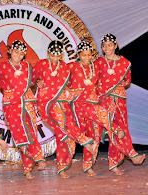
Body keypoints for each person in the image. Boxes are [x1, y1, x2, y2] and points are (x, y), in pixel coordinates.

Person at [32, 40, 97, 178]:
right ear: (48, 53)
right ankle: (86, 142)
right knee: (65, 125)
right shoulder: (41, 64)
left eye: (58, 56)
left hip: (63, 103)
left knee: (63, 134)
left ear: (61, 55)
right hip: (47, 104)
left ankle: (62, 167)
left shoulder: (66, 67)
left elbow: (73, 82)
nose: (55, 58)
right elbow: (31, 80)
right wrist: (38, 82)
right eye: (53, 55)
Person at [66, 41, 130, 176]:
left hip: (93, 103)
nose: (86, 58)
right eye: (83, 55)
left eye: (89, 55)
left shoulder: (95, 67)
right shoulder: (71, 66)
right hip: (77, 104)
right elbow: (60, 77)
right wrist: (39, 82)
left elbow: (111, 80)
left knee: (94, 134)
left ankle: (89, 166)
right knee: (74, 134)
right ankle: (67, 165)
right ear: (78, 54)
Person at [0, 40, 46, 179]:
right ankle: (37, 157)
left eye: (22, 53)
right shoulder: (1, 67)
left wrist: (39, 82)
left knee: (31, 132)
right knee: (20, 133)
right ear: (10, 51)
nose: (19, 55)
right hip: (11, 103)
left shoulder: (27, 66)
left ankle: (29, 167)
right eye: (16, 51)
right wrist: (6, 87)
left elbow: (34, 79)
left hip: (28, 102)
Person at [95, 33, 145, 175]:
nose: (107, 48)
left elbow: (126, 81)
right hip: (104, 99)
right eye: (104, 46)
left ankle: (114, 164)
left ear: (115, 46)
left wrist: (114, 88)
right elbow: (93, 78)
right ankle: (132, 153)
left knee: (121, 128)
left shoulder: (125, 63)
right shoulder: (98, 62)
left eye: (110, 45)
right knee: (113, 129)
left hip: (119, 100)